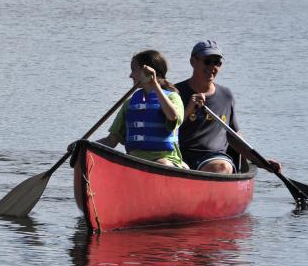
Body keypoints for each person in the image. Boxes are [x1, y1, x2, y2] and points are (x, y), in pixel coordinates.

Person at [177, 40, 281, 174]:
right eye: (208, 61)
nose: (213, 66)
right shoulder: (175, 93)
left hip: (214, 157)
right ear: (193, 61)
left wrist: (261, 162)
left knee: (220, 168)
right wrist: (188, 110)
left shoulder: (226, 96)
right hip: (180, 155)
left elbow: (234, 137)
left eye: (217, 62)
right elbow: (165, 128)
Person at [97, 50, 187, 168]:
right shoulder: (129, 104)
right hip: (135, 161)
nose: (131, 75)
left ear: (148, 72)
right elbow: (111, 141)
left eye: (134, 70)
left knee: (162, 163)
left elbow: (172, 116)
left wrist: (154, 83)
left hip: (167, 161)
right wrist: (84, 146)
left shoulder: (173, 98)